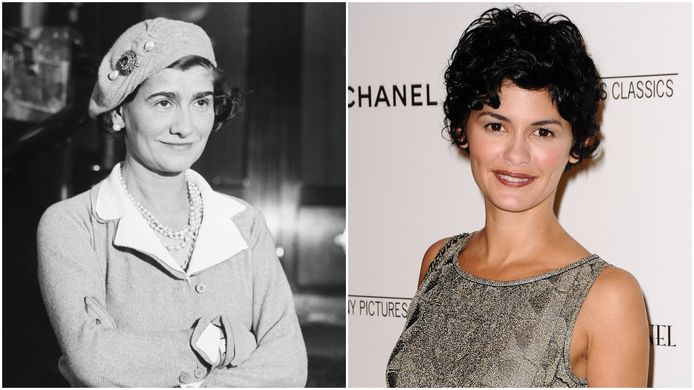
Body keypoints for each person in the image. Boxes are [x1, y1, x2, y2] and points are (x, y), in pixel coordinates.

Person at [386, 7, 649, 388]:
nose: (516, 155)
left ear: (576, 145)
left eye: (542, 132)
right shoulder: (439, 261)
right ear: (464, 130)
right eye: (496, 126)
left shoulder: (608, 297)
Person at [37, 17, 307, 387]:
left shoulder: (246, 223)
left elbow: (289, 367)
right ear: (119, 113)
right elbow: (95, 361)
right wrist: (220, 344)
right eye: (163, 102)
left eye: (201, 102)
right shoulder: (71, 224)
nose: (185, 126)